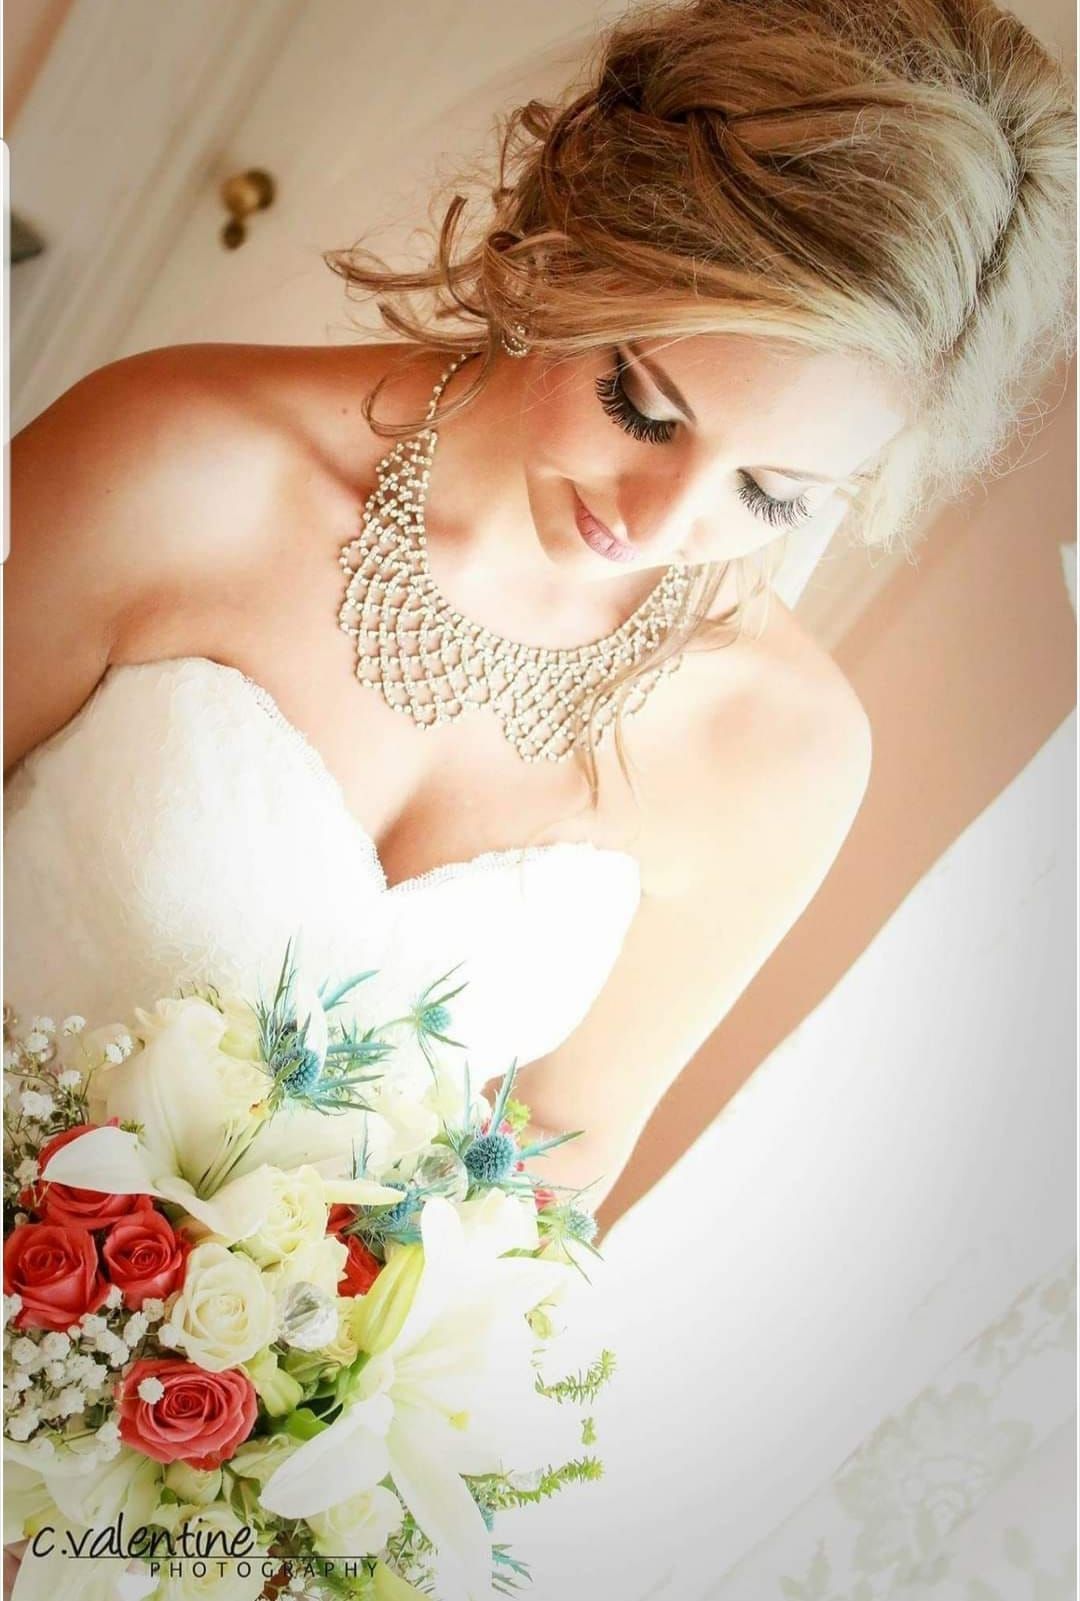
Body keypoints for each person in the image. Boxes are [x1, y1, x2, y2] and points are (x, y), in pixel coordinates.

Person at [4, 0, 1074, 1226]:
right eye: (640, 407)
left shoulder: (783, 749)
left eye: (772, 495)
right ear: (566, 245)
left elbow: (552, 1170)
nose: (660, 523)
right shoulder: (172, 466)